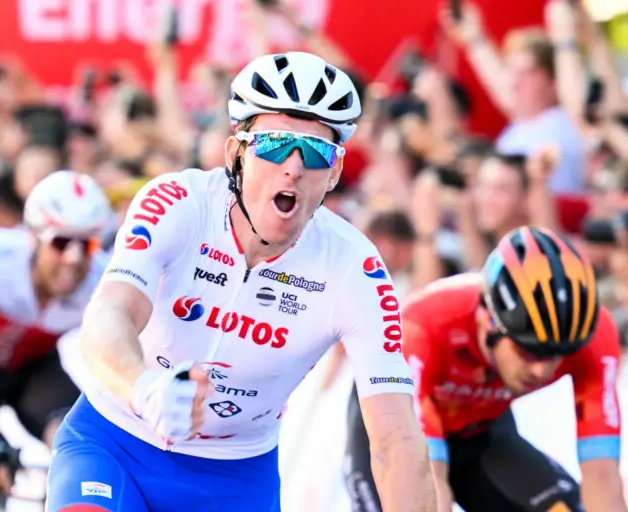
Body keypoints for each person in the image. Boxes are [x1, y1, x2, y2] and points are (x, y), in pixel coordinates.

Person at [46, 51, 436, 512]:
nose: (293, 167)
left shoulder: (355, 268)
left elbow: (396, 438)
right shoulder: (178, 203)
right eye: (274, 145)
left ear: (334, 172)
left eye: (315, 151)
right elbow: (109, 314)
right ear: (237, 154)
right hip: (116, 443)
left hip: (234, 478)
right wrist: (143, 387)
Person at [345, 225, 626, 512]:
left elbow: (602, 474)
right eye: (529, 351)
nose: (541, 371)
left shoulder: (594, 337)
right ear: (488, 321)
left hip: (481, 431)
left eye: (557, 355)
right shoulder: (424, 326)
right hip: (398, 428)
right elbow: (424, 474)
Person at [0, 170, 111, 512]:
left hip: (34, 367)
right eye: (61, 242)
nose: (74, 258)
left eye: (87, 244)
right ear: (33, 238)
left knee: (76, 440)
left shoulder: (101, 278)